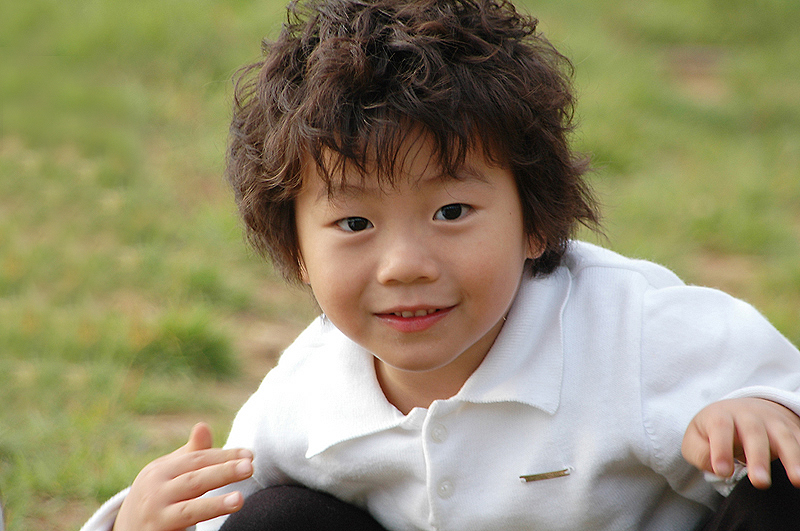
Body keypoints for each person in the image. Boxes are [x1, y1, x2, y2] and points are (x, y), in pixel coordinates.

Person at [81, 0, 800, 530]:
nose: (404, 265)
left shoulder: (633, 331)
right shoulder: (306, 400)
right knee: (275, 519)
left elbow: (782, 394)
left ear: (535, 219)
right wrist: (133, 522)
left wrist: (766, 407)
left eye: (452, 212)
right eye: (354, 223)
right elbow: (211, 514)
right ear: (297, 250)